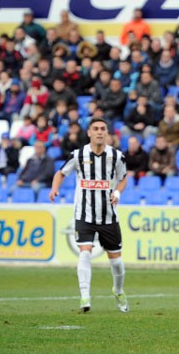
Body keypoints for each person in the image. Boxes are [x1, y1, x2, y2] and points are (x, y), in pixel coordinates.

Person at [49, 117, 129, 313]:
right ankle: (85, 296)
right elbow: (60, 173)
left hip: (109, 216)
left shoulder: (117, 156)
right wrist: (54, 189)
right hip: (84, 214)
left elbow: (123, 178)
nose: (100, 132)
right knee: (85, 253)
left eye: (103, 128)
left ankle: (118, 290)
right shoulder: (78, 155)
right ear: (89, 133)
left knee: (117, 263)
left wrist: (117, 192)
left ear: (107, 132)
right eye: (96, 128)